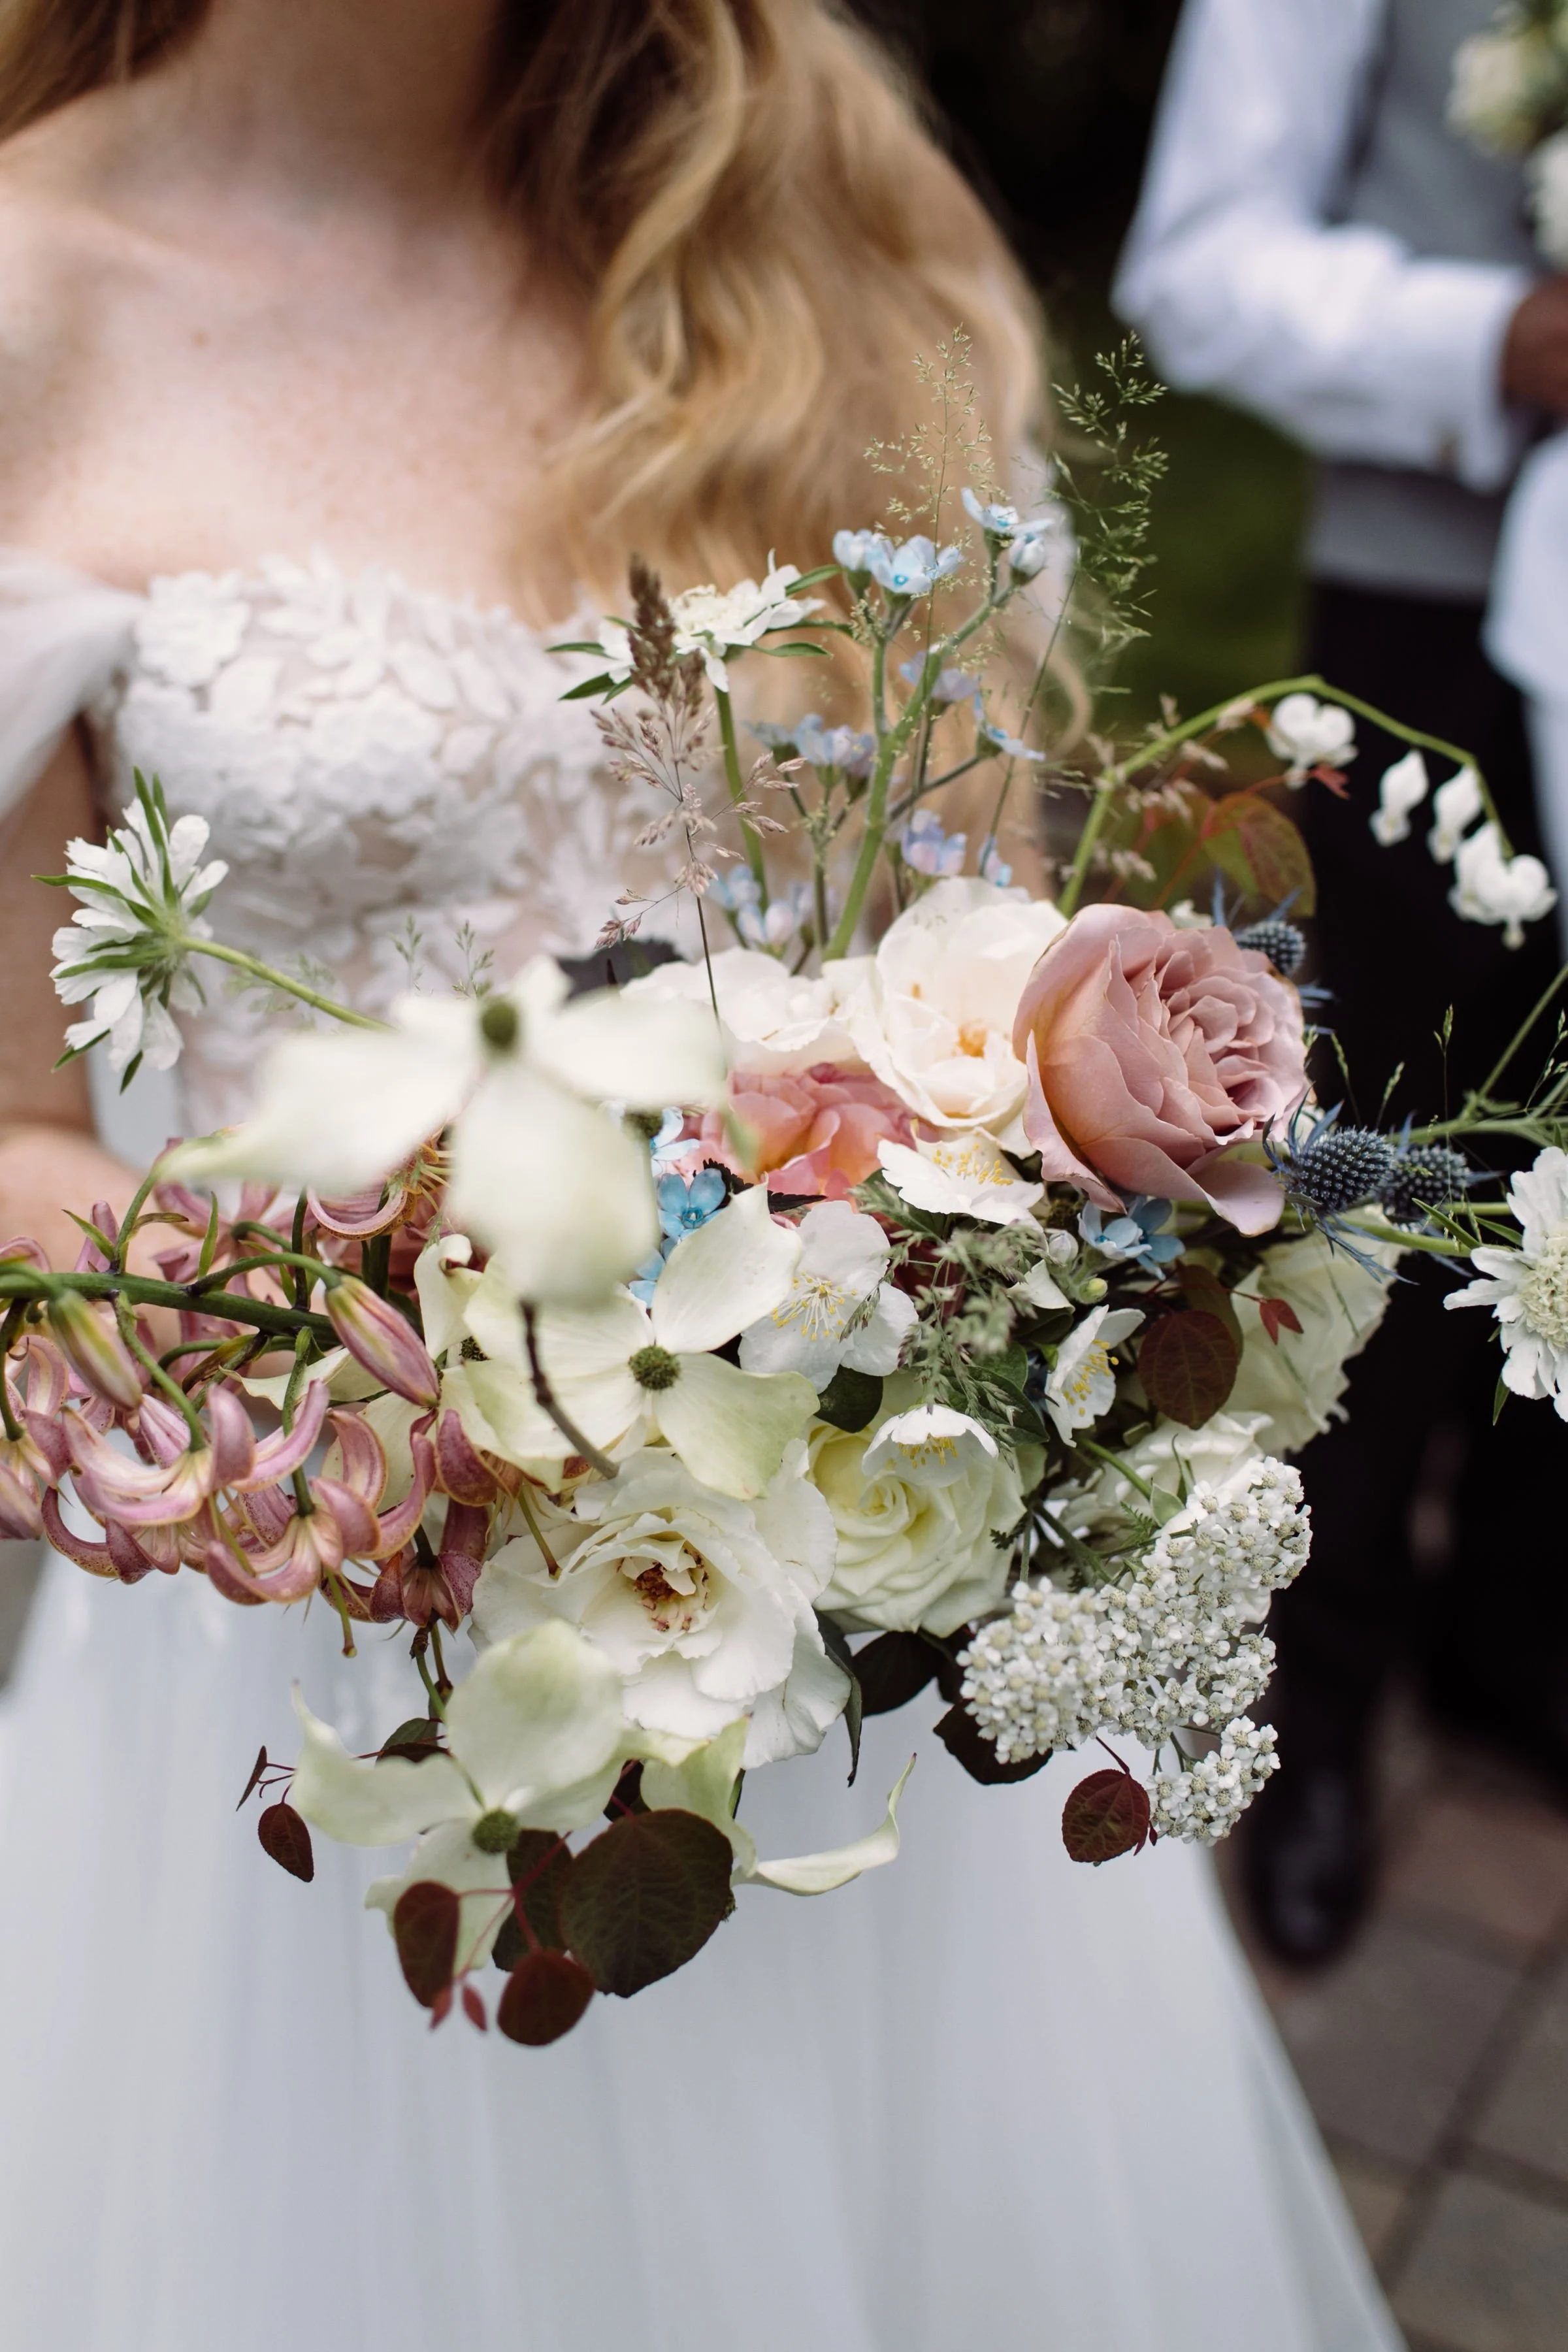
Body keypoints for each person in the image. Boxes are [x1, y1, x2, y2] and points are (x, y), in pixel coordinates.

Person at [0, 5, 1401, 2347]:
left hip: (849, 1607)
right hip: (346, 1669)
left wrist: (1021, 1221)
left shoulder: (830, 228)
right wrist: (341, 1370)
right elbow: (18, 1131)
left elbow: (970, 933)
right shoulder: (33, 303)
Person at [1117, 0, 1568, 1968]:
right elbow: (1197, 260)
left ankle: (1516, 1633)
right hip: (1438, 606)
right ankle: (1320, 1696)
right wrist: (1494, 340)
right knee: (1401, 1164)